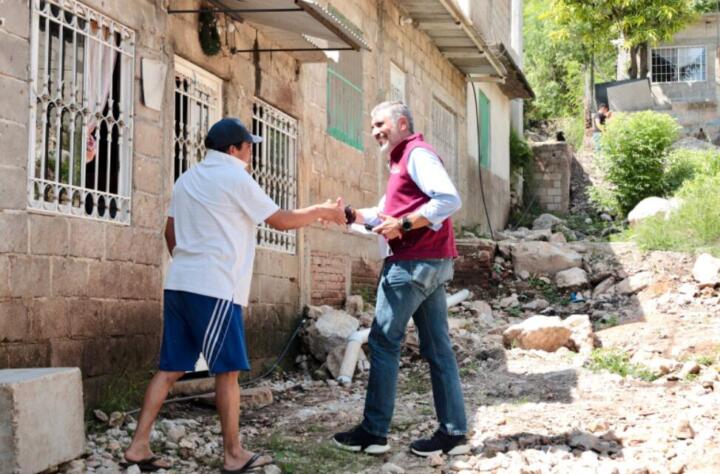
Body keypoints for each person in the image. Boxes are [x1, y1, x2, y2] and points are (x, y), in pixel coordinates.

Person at [123, 118, 346, 473]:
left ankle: (138, 447)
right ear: (232, 150)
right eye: (248, 145)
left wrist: (187, 262)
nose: (251, 151)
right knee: (227, 372)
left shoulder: (187, 178)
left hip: (180, 283)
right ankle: (233, 454)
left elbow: (170, 230)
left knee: (170, 368)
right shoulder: (234, 176)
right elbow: (281, 220)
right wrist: (322, 211)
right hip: (214, 287)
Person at [333, 101, 469, 457]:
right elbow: (383, 215)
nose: (375, 131)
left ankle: (374, 433)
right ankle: (453, 433)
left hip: (411, 265)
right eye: (372, 125)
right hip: (430, 264)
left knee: (383, 343)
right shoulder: (401, 162)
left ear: (402, 123)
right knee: (438, 349)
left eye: (380, 124)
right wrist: (348, 215)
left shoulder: (416, 155)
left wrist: (406, 224)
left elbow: (449, 199)